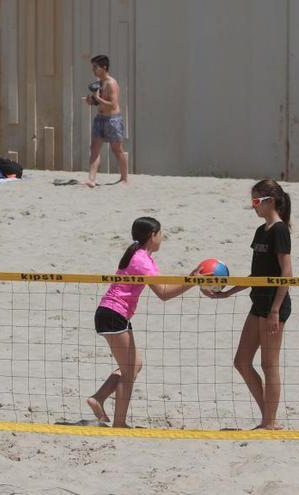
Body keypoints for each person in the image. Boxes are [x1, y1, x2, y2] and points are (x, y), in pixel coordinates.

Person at [86, 217, 199, 427]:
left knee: (134, 365)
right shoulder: (141, 260)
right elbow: (164, 294)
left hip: (113, 314)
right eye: (160, 233)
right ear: (151, 236)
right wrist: (192, 281)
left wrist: (189, 279)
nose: (162, 237)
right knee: (129, 371)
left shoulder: (141, 256)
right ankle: (119, 423)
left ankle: (98, 398)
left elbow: (163, 286)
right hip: (113, 313)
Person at [202, 179, 292, 430]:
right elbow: (256, 275)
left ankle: (268, 423)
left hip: (275, 306)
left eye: (256, 201)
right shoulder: (261, 231)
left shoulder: (280, 230)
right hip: (258, 303)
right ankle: (268, 418)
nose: (253, 206)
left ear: (270, 201)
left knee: (269, 364)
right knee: (242, 361)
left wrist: (275, 310)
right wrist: (228, 293)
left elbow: (286, 273)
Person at [83, 54, 127, 188]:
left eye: (96, 67)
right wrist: (91, 101)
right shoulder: (99, 83)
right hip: (100, 119)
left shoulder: (111, 83)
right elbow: (100, 102)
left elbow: (113, 105)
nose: (93, 70)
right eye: (93, 67)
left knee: (117, 150)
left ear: (104, 67)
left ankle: (124, 178)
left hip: (112, 120)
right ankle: (91, 180)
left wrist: (98, 98)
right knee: (94, 148)